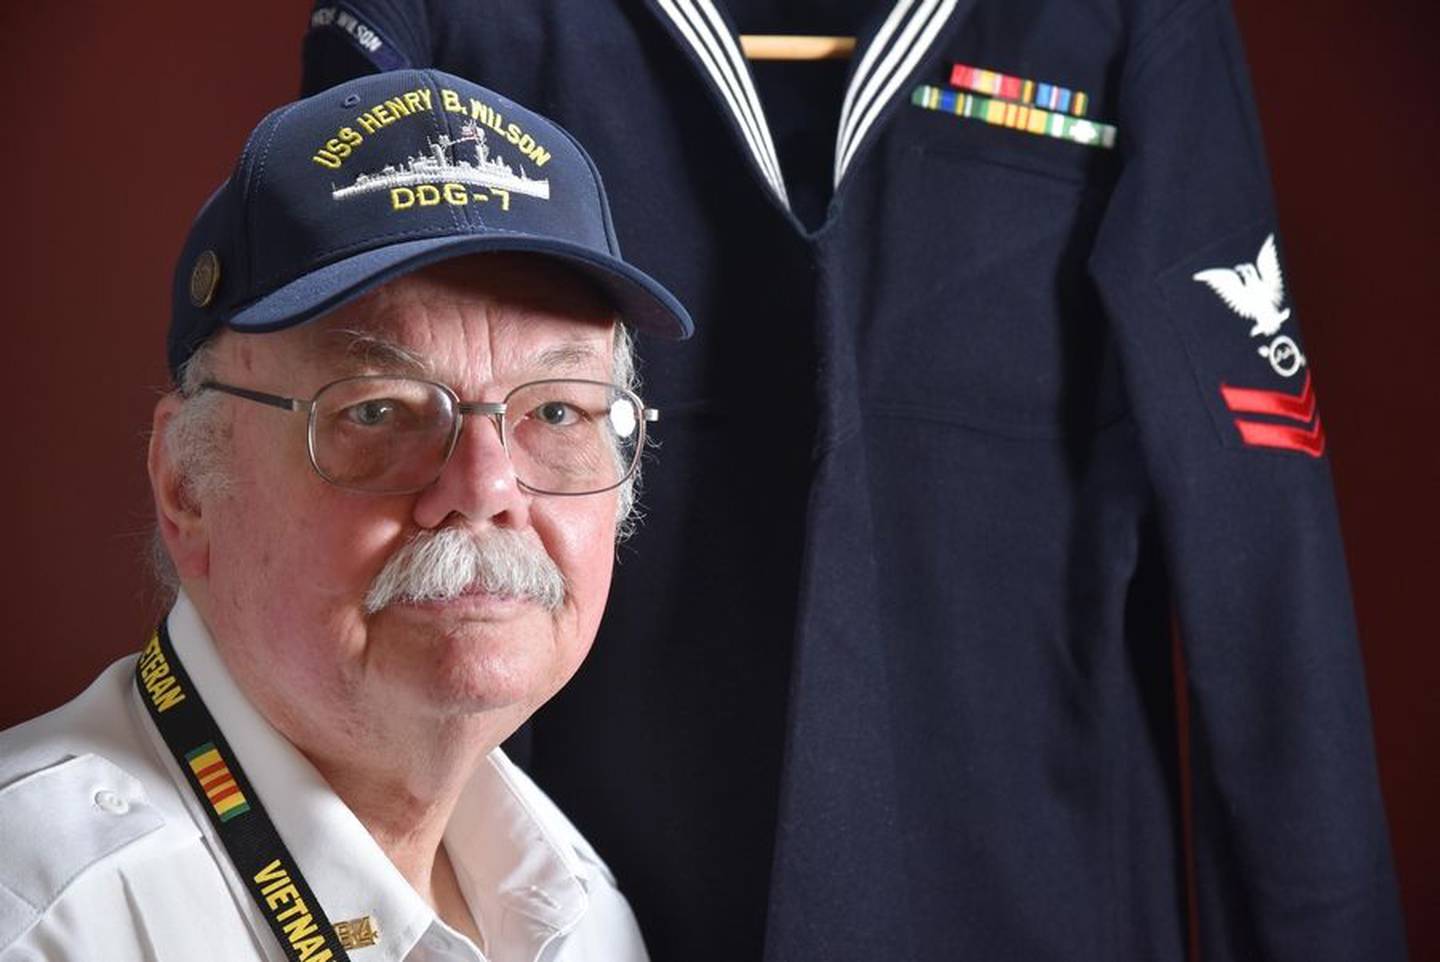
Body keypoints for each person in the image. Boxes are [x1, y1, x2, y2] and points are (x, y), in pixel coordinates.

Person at [299, 3, 1408, 961]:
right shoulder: (441, 24)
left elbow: (1258, 533)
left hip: (1028, 889)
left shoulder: (1121, 24)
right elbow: (327, 482)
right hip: (582, 897)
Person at [0, 68, 691, 962]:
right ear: (188, 485)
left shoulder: (576, 909)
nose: (484, 488)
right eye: (377, 411)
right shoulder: (46, 920)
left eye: (556, 411)